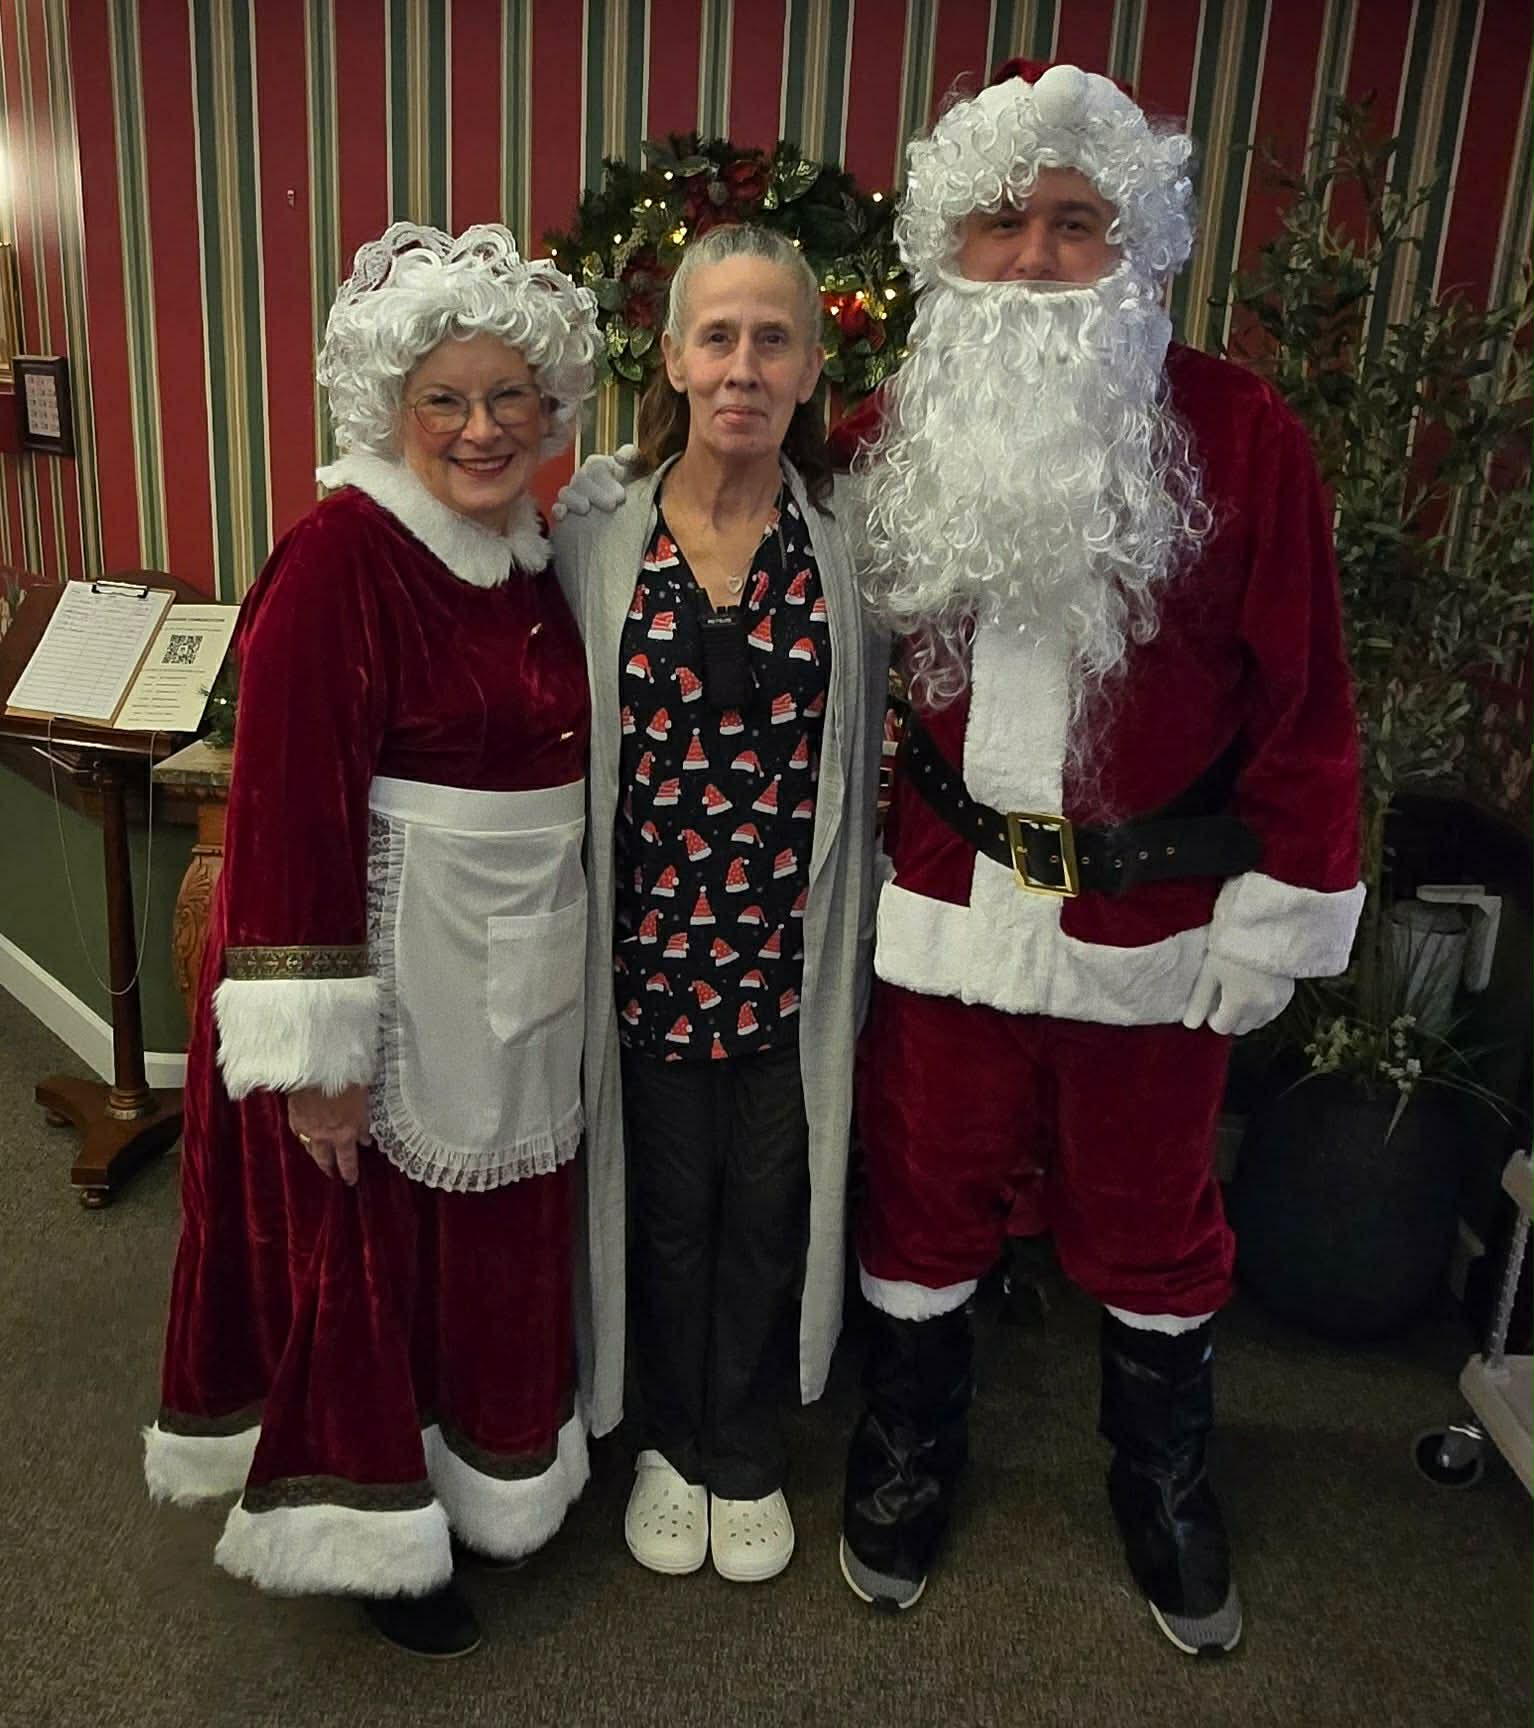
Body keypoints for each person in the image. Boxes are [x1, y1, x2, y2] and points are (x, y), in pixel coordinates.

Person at [832, 61, 1363, 1653]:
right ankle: (908, 1445)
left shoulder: (1240, 433)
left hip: (1154, 924)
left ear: (1135, 245)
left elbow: (1306, 700)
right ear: (949, 242)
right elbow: (739, 520)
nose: (1036, 256)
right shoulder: (890, 428)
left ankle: (1162, 1475)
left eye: (1076, 222)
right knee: (923, 1195)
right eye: (1002, 220)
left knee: (1151, 1219)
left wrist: (1278, 910)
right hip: (948, 909)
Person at [143, 223, 605, 1659]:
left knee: (485, 1247)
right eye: (444, 401)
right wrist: (320, 1061)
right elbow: (285, 809)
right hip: (384, 986)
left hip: (513, 970)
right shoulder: (342, 553)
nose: (481, 429)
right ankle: (376, 1532)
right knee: (371, 1261)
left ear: (548, 408)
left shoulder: (530, 554)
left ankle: (484, 1476)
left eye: (509, 397)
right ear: (388, 408)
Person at [554, 224, 885, 1585]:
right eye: (717, 336)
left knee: (771, 1210)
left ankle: (745, 1448)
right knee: (663, 1209)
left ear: (808, 368)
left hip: (789, 959)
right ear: (676, 359)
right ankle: (667, 1443)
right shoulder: (593, 531)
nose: (742, 366)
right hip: (644, 953)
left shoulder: (849, 540)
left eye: (772, 340)